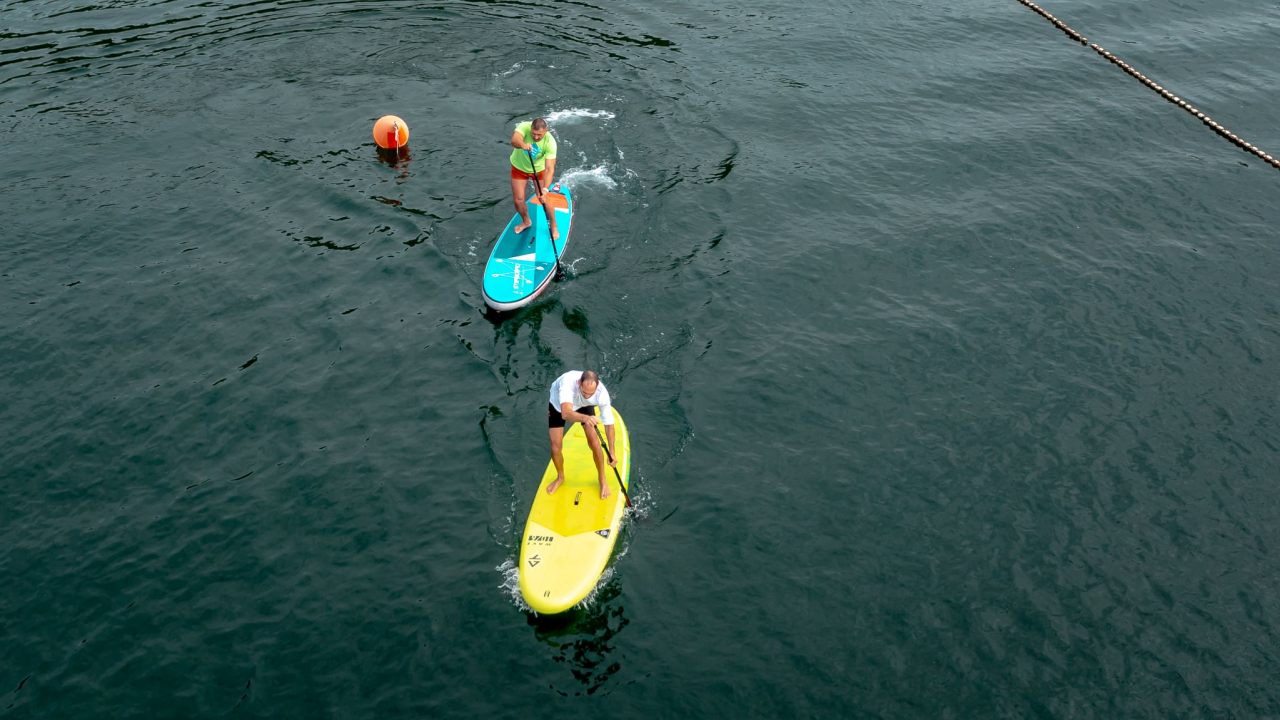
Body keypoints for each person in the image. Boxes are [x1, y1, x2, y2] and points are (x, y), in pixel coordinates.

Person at [546, 369, 616, 499]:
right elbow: (566, 414)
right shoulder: (567, 383)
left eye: (591, 394)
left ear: (597, 386)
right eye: (584, 392)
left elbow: (609, 424)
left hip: (583, 406)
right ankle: (560, 477)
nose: (587, 396)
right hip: (559, 406)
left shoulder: (602, 394)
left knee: (594, 442)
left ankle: (602, 479)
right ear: (579, 383)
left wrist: (612, 451)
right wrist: (586, 418)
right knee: (555, 447)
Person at [509, 117, 559, 240]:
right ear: (531, 129)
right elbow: (514, 140)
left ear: (546, 131)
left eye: (539, 135)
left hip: (539, 170)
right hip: (519, 167)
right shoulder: (524, 126)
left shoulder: (550, 142)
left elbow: (550, 169)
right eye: (533, 134)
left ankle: (554, 226)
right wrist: (522, 144)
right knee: (518, 200)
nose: (536, 137)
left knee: (543, 198)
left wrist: (546, 190)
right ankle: (526, 221)